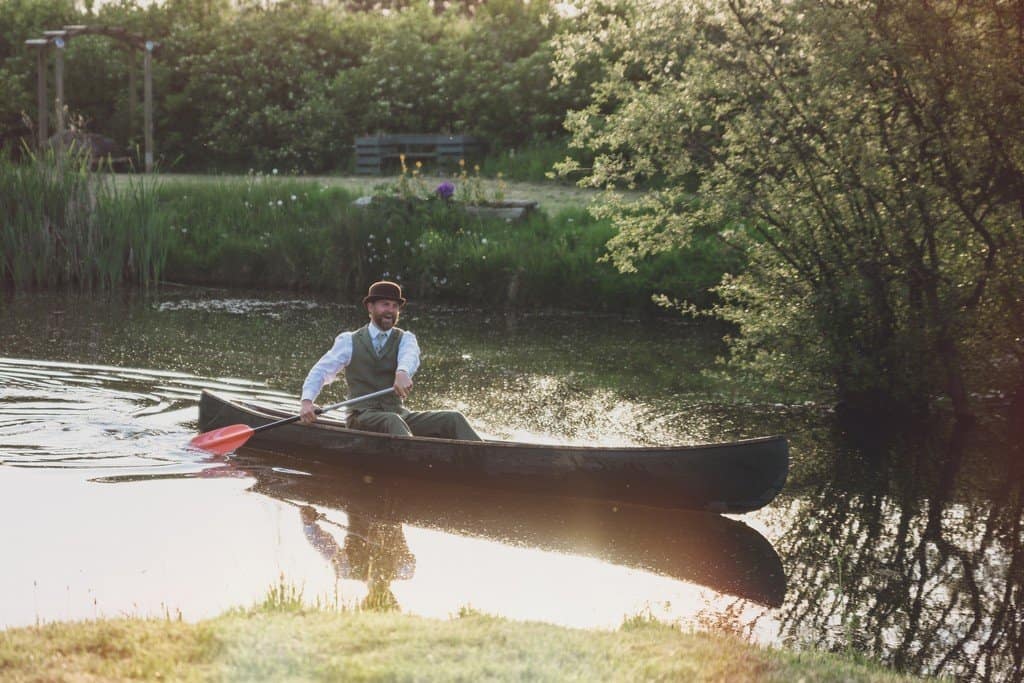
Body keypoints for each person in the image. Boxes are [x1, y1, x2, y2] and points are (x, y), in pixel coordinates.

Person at [299, 280, 482, 440]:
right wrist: (307, 402)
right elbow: (321, 371)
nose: (391, 311)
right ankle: (415, 462)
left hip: (398, 415)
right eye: (385, 304)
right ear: (370, 307)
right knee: (392, 421)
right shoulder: (349, 341)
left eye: (395, 306)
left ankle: (485, 455)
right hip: (361, 417)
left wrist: (402, 372)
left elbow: (410, 357)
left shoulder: (406, 339)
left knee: (453, 418)